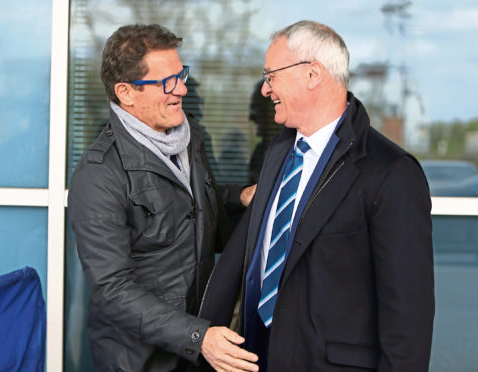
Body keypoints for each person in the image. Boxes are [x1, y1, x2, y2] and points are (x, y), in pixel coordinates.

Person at [198, 20, 434, 372]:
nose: (265, 89)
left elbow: (407, 317)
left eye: (271, 76)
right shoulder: (279, 153)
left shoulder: (391, 172)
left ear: (312, 74)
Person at [68, 24, 254, 372]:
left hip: (195, 346)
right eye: (167, 81)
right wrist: (200, 337)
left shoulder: (190, 137)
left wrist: (237, 196)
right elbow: (112, 290)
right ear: (126, 92)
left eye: (181, 75)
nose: (182, 89)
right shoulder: (99, 175)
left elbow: (189, 202)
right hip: (142, 361)